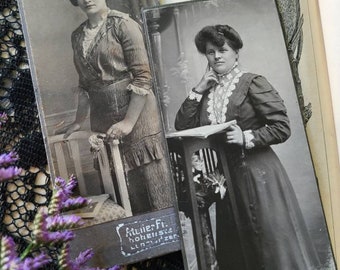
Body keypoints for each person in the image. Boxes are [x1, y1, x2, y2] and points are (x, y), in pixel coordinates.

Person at [175, 24, 321, 270]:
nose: (217, 56)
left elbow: (282, 127)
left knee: (268, 243)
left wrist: (246, 137)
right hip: (227, 180)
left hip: (258, 175)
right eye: (211, 52)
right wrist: (199, 89)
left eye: (222, 50)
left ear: (235, 52)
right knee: (239, 248)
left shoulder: (252, 82)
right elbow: (183, 125)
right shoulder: (207, 92)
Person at [56, 0, 173, 214]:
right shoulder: (77, 36)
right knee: (120, 189)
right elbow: (84, 85)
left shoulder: (124, 24)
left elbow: (142, 77)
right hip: (103, 119)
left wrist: (128, 123)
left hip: (138, 119)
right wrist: (78, 121)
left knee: (151, 184)